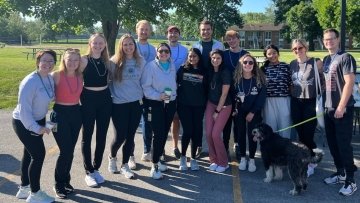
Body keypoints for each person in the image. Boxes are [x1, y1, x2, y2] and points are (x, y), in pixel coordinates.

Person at [12, 50, 56, 203]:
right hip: (24, 122)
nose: (48, 64)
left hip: (39, 119)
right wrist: (36, 128)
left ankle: (24, 188)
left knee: (29, 153)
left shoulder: (49, 78)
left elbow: (52, 96)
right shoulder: (29, 81)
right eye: (45, 60)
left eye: (51, 61)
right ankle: (35, 193)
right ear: (38, 62)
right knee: (38, 155)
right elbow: (24, 111)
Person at [321, 28, 357, 196]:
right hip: (328, 109)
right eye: (326, 39)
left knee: (344, 145)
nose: (329, 41)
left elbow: (349, 83)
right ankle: (341, 172)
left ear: (338, 39)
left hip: (342, 109)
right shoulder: (327, 59)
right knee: (333, 144)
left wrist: (341, 107)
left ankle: (351, 180)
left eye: (332, 39)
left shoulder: (346, 57)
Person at [107, 34, 145, 179]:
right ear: (121, 46)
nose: (128, 47)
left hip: (136, 104)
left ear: (134, 46)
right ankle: (112, 157)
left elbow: (144, 81)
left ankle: (124, 165)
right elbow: (106, 82)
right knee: (120, 137)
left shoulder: (140, 61)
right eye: (125, 44)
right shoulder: (113, 62)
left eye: (131, 44)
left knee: (130, 136)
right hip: (118, 105)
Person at [80, 33, 112, 187]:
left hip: (105, 99)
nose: (98, 45)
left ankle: (96, 168)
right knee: (87, 135)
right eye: (95, 43)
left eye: (101, 43)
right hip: (88, 98)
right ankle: (88, 171)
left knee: (102, 135)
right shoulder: (83, 60)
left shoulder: (107, 61)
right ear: (90, 44)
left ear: (104, 44)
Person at [141, 43, 177, 179]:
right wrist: (158, 96)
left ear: (169, 53)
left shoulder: (172, 65)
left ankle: (159, 159)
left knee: (164, 133)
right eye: (161, 51)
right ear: (156, 52)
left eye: (166, 51)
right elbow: (146, 87)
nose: (163, 53)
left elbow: (173, 83)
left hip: (170, 103)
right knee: (158, 134)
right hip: (155, 103)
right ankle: (154, 164)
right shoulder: (150, 66)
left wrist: (172, 96)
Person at [51, 48, 83, 199]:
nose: (72, 63)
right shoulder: (56, 75)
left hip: (76, 114)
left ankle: (65, 181)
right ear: (64, 59)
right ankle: (58, 184)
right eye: (69, 59)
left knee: (70, 150)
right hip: (60, 115)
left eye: (76, 60)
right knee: (65, 151)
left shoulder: (80, 75)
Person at [289, 39, 324, 177]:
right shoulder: (292, 64)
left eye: (300, 48)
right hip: (296, 101)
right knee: (300, 134)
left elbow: (324, 80)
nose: (298, 51)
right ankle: (309, 158)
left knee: (308, 134)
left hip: (310, 101)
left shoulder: (316, 62)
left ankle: (311, 161)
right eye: (295, 49)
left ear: (306, 47)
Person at [192, 20, 224, 157]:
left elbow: (222, 64)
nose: (205, 32)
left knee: (215, 118)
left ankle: (218, 146)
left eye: (208, 29)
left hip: (215, 85)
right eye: (203, 29)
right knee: (200, 118)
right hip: (199, 85)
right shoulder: (195, 45)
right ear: (200, 31)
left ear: (212, 30)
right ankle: (199, 145)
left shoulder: (219, 45)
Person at [233, 54, 266, 172]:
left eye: (250, 62)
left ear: (254, 65)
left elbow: (261, 99)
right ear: (241, 65)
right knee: (241, 134)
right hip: (240, 112)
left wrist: (252, 112)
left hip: (254, 112)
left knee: (253, 136)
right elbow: (232, 96)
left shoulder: (259, 80)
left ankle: (251, 159)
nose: (248, 65)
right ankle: (243, 158)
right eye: (245, 62)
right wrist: (235, 110)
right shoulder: (236, 80)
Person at [177, 48, 207, 171]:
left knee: (196, 132)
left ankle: (193, 158)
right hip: (184, 106)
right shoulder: (182, 69)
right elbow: (175, 84)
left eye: (195, 56)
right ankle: (183, 157)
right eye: (190, 56)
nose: (192, 58)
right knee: (187, 131)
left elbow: (206, 89)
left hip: (199, 106)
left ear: (199, 57)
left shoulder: (204, 71)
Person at [222, 29, 248, 159]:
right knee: (226, 122)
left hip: (241, 92)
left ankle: (237, 145)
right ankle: (225, 146)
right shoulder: (224, 54)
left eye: (234, 38)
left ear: (238, 39)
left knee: (239, 121)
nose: (231, 41)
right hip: (226, 92)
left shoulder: (245, 54)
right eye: (229, 39)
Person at [205, 49, 232, 173]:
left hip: (224, 106)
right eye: (213, 58)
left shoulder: (225, 72)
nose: (215, 60)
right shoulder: (210, 71)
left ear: (222, 60)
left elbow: (224, 94)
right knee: (209, 134)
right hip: (211, 103)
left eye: (218, 58)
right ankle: (213, 160)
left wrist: (217, 111)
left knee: (216, 134)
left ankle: (223, 162)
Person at [136, 20, 157, 165]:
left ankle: (147, 149)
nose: (144, 32)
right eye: (141, 29)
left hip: (148, 90)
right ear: (137, 30)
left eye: (146, 30)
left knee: (147, 121)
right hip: (133, 89)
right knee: (131, 124)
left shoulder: (153, 49)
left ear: (150, 32)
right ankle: (129, 155)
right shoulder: (131, 46)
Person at [260, 44, 292, 139]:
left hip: (284, 100)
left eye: (274, 53)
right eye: (269, 54)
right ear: (266, 56)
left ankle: (285, 150)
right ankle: (272, 151)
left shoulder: (286, 66)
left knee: (285, 126)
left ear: (278, 53)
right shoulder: (263, 69)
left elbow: (291, 84)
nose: (272, 55)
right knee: (270, 127)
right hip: (268, 101)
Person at [166, 25, 188, 159]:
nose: (173, 35)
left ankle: (175, 146)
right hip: (165, 88)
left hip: (179, 88)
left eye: (176, 32)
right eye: (170, 32)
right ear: (166, 35)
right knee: (164, 117)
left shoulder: (185, 50)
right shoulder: (161, 49)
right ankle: (160, 146)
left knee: (175, 118)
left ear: (179, 35)